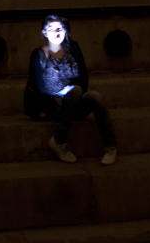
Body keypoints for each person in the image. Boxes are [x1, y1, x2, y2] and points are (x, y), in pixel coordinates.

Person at [25, 14, 117, 165]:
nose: (57, 32)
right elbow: (38, 86)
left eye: (60, 29)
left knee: (94, 96)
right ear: (44, 33)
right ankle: (59, 141)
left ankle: (110, 147)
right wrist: (59, 94)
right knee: (75, 91)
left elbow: (83, 79)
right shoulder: (38, 55)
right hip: (52, 106)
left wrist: (68, 91)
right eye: (51, 29)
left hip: (74, 101)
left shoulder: (73, 49)